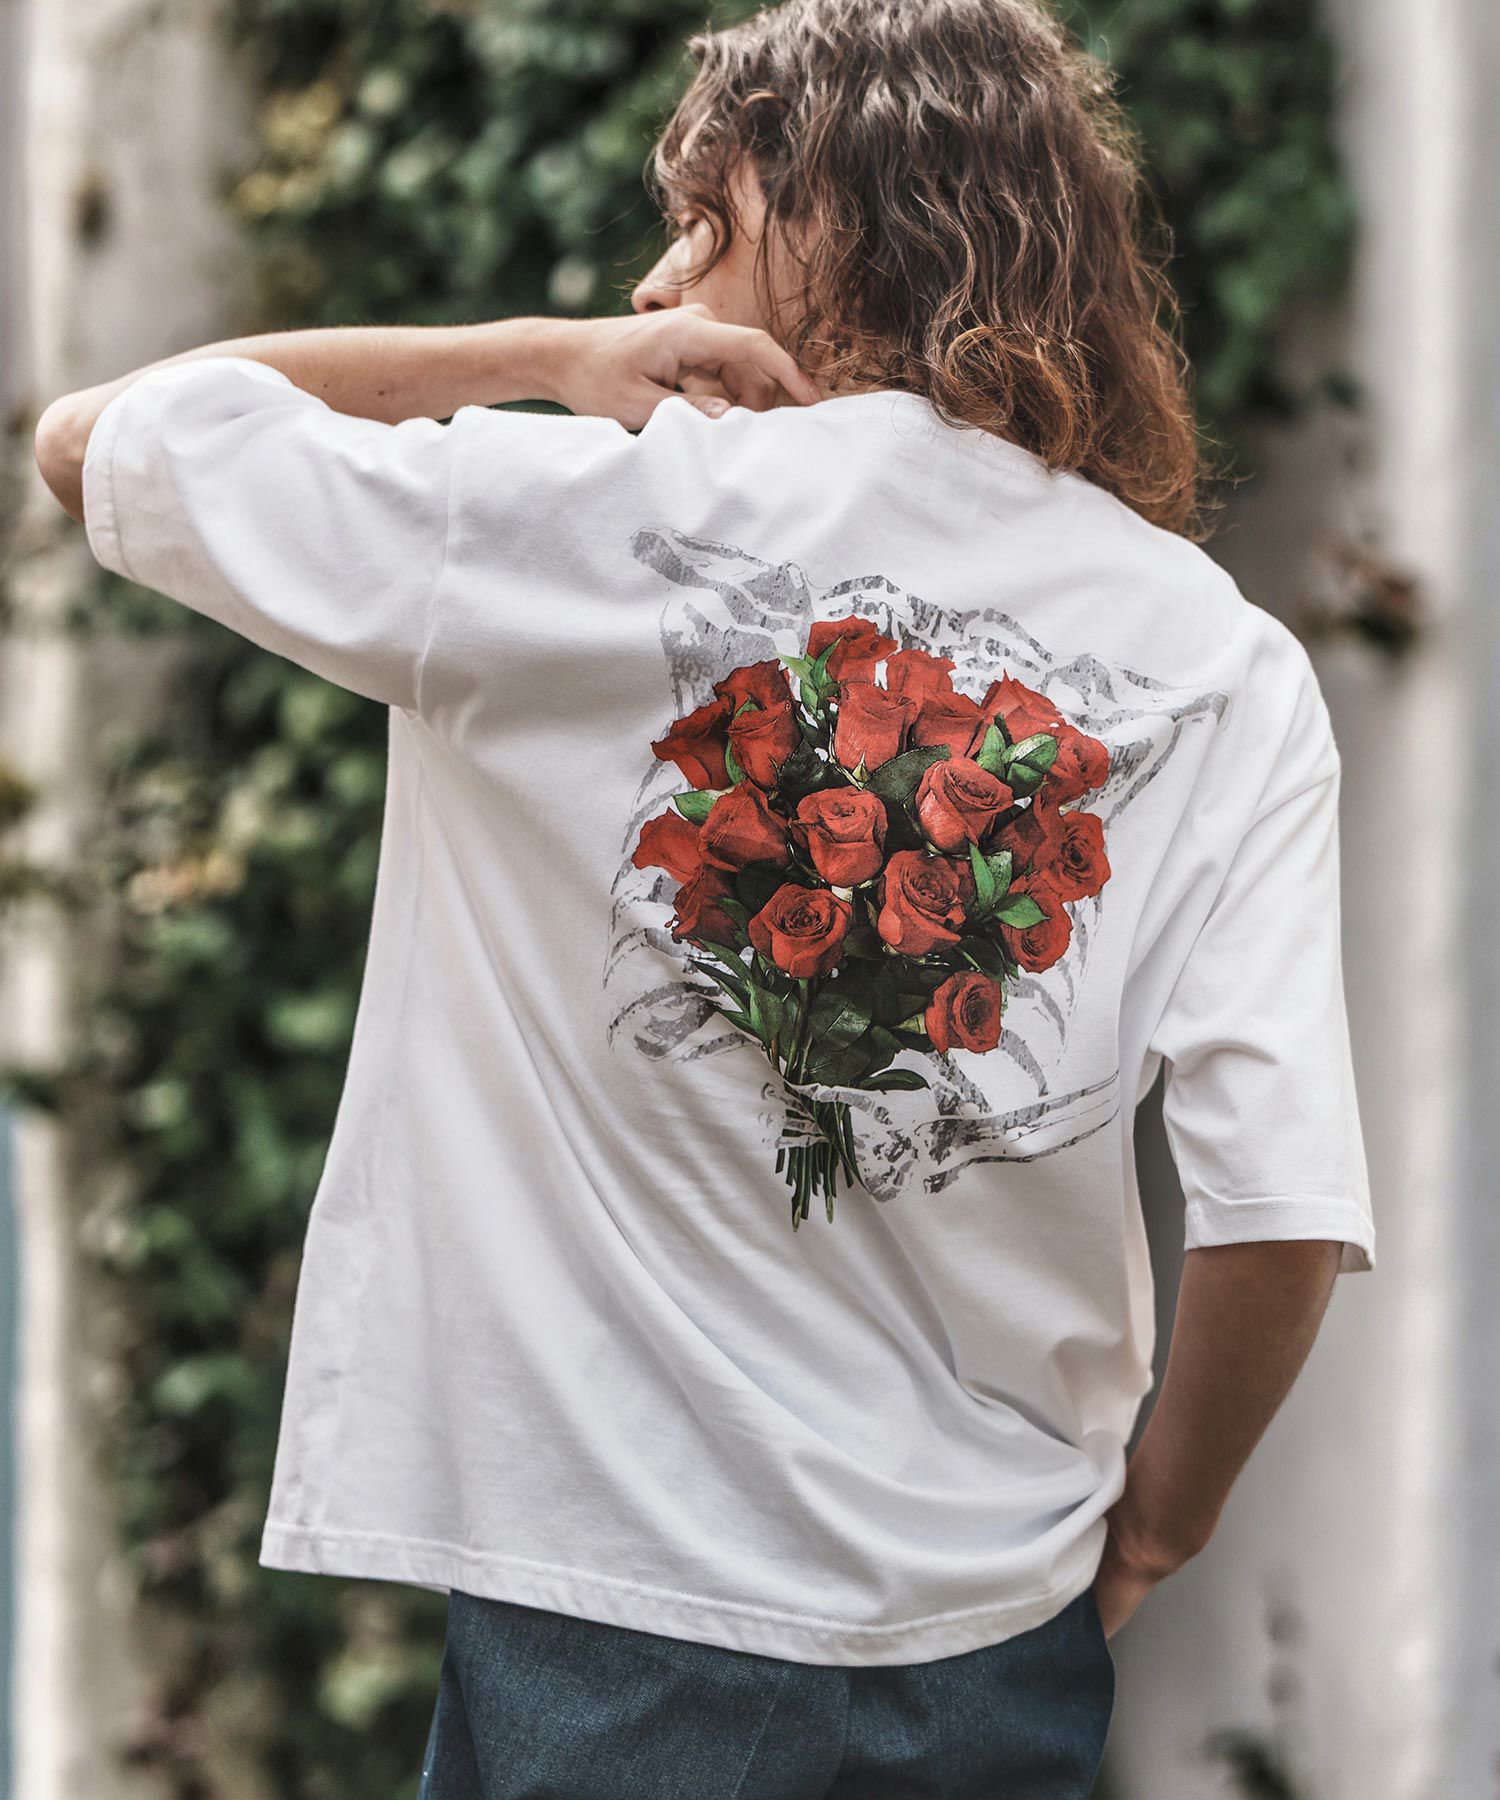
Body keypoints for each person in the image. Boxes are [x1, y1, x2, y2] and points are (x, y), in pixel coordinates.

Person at [34, 0, 1376, 1793]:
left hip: (615, 1611)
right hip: (993, 1640)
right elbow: (1277, 1211)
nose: (657, 284)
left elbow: (99, 435)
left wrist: (545, 356)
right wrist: (1151, 1534)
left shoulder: (555, 525)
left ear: (829, 220)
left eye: (700, 223)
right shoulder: (1221, 662)